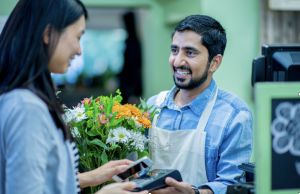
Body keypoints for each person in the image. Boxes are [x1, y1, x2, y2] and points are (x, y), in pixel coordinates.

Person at [0, 0, 148, 194]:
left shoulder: (21, 99)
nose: (79, 50)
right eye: (77, 37)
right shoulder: (27, 107)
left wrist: (92, 177)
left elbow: (42, 179)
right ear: (47, 34)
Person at [147, 15, 253, 194]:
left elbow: (232, 185)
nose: (178, 61)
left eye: (190, 53)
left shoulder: (234, 115)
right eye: (174, 50)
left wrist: (196, 193)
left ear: (214, 63)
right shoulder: (153, 106)